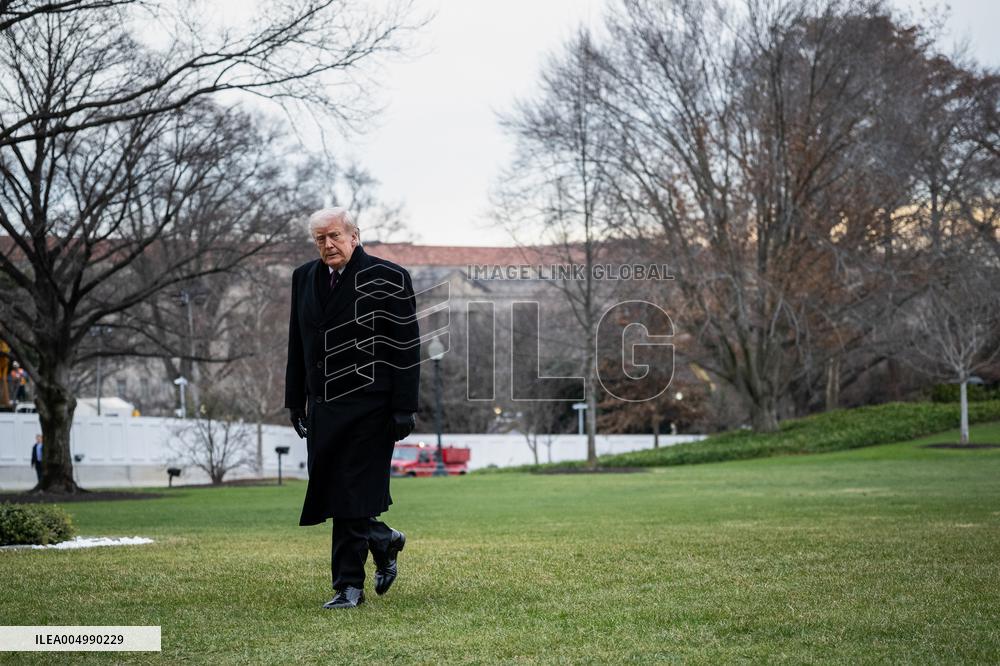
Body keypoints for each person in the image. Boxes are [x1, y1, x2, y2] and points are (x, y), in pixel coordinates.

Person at [285, 207, 421, 610]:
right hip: (324, 407)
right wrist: (296, 400)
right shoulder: (303, 278)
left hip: (372, 408)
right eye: (320, 239)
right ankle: (383, 539)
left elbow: (406, 347)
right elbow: (299, 343)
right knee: (335, 491)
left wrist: (404, 408)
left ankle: (348, 588)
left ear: (354, 236)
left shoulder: (390, 277)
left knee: (351, 494)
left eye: (334, 236)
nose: (328, 245)